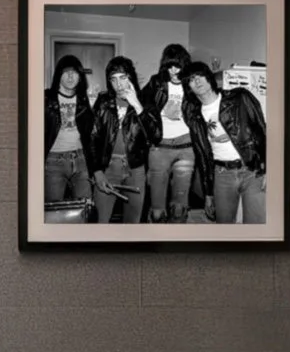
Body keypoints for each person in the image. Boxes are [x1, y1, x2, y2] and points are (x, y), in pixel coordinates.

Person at [186, 62, 266, 224]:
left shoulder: (240, 97)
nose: (198, 81)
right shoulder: (195, 117)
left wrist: (271, 169)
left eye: (200, 75)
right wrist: (208, 193)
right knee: (224, 225)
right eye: (191, 79)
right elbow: (202, 155)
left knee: (256, 225)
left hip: (252, 170)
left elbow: (262, 131)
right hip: (222, 174)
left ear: (209, 77)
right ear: (188, 87)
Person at [87, 56, 152, 224]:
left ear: (131, 77)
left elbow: (155, 136)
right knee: (100, 222)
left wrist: (137, 105)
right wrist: (97, 172)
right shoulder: (103, 102)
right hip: (107, 167)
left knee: (133, 222)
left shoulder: (145, 100)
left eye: (123, 77)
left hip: (136, 169)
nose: (119, 84)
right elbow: (91, 138)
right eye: (114, 80)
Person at [141, 44, 200, 223]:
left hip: (186, 148)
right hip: (160, 148)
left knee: (180, 206)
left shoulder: (192, 84)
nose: (174, 70)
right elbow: (140, 106)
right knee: (157, 209)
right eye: (170, 66)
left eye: (178, 65)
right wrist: (162, 112)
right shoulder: (156, 82)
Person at [42, 54, 93, 209]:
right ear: (59, 74)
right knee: (54, 211)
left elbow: (90, 133)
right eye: (66, 72)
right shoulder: (46, 98)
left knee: (85, 208)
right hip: (54, 160)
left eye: (75, 72)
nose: (71, 76)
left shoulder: (84, 100)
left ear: (80, 76)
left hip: (81, 159)